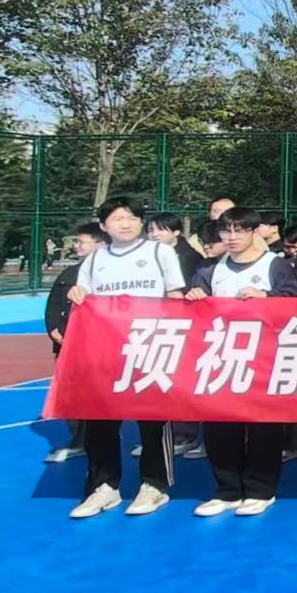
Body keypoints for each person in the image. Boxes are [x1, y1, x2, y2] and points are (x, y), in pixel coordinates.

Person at [68, 198, 189, 519]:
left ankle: (154, 484)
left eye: (132, 218)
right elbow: (83, 297)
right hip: (106, 350)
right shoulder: (95, 259)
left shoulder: (159, 252)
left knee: (153, 420)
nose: (125, 223)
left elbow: (175, 295)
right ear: (103, 225)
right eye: (117, 218)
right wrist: (77, 295)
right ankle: (104, 486)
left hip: (150, 347)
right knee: (100, 420)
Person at [183, 206, 297, 516]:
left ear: (253, 232)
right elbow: (195, 307)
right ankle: (228, 490)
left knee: (263, 428)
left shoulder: (275, 265)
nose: (232, 237)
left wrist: (267, 297)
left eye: (240, 230)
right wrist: (193, 298)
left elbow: (294, 304)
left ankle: (261, 489)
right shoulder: (211, 269)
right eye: (226, 231)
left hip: (264, 358)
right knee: (220, 427)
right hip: (221, 358)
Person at [43, 221, 104, 465]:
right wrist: (53, 329)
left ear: (100, 244)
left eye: (81, 241)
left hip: (96, 347)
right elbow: (54, 304)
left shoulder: (108, 275)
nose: (76, 245)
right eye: (77, 241)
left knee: (96, 394)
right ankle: (79, 440)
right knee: (69, 393)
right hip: (66, 344)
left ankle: (98, 436)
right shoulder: (69, 274)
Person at [146, 212, 205, 282]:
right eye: (151, 230)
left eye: (161, 229)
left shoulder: (189, 257)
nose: (155, 234)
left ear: (176, 232)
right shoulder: (145, 254)